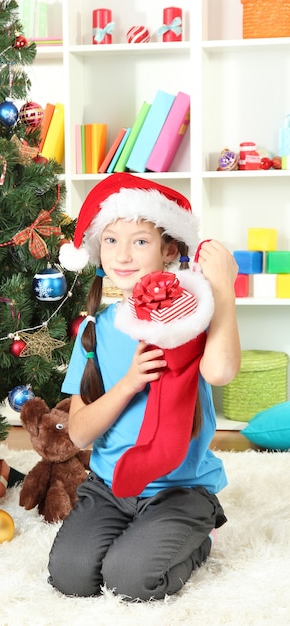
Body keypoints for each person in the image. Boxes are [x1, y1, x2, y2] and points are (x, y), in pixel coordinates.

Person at [48, 172, 241, 601]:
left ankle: (197, 536)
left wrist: (223, 291)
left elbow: (221, 372)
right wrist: (130, 383)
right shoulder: (97, 330)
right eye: (112, 241)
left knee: (129, 579)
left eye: (140, 241)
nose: (123, 255)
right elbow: (78, 434)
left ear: (168, 249)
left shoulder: (193, 314)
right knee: (71, 577)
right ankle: (142, 534)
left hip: (180, 489)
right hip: (110, 487)